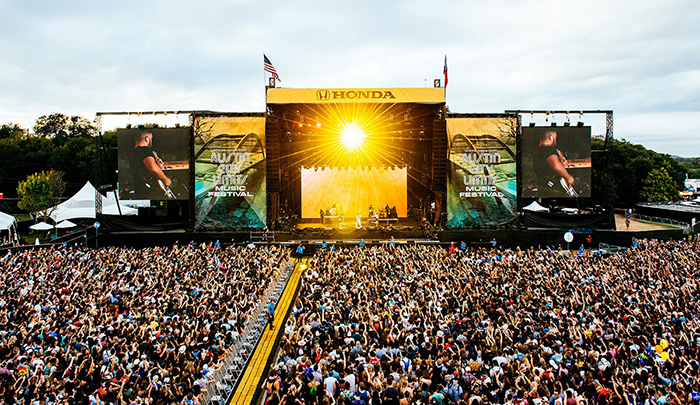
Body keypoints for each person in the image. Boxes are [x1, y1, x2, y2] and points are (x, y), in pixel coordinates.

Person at [129, 131, 172, 198]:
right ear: (147, 138)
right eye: (151, 138)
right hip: (150, 192)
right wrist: (166, 180)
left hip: (139, 191)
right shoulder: (144, 150)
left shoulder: (133, 153)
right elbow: (153, 168)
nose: (151, 141)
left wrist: (158, 164)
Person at [534, 129, 575, 196]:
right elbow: (556, 165)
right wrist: (568, 177)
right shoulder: (547, 150)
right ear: (551, 137)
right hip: (552, 192)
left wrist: (560, 159)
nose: (555, 140)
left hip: (543, 190)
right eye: (555, 137)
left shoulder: (539, 151)